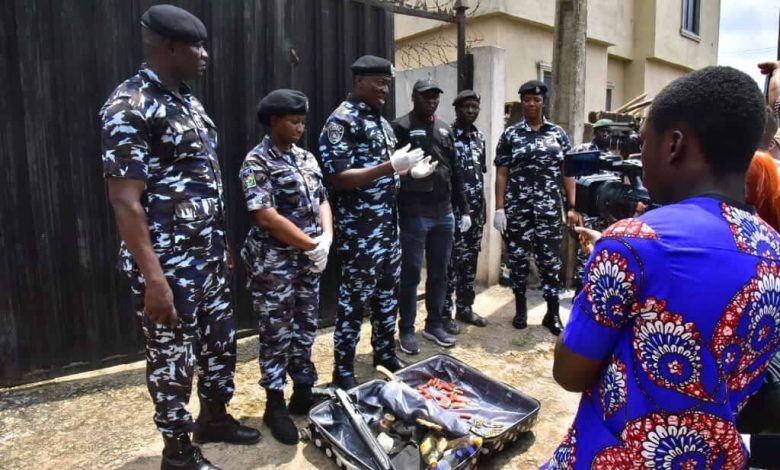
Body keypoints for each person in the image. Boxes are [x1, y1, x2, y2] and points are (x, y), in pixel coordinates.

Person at [545, 66, 779, 469]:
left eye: (643, 142)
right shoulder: (772, 250)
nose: (641, 157)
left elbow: (570, 373)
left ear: (673, 144)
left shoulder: (632, 242)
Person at [100, 5, 259, 469]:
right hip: (168, 263)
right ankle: (178, 451)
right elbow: (125, 202)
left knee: (219, 343)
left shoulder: (187, 100)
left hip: (206, 255)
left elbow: (201, 180)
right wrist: (154, 279)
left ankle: (214, 416)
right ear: (169, 48)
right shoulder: (128, 105)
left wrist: (221, 244)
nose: (205, 55)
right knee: (173, 358)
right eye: (197, 47)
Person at [318, 55, 429, 390]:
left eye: (387, 82)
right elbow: (338, 177)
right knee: (354, 302)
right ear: (359, 82)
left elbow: (390, 170)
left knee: (386, 296)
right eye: (378, 82)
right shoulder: (342, 121)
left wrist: (409, 172)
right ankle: (343, 369)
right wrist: (389, 168)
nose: (385, 88)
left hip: (387, 227)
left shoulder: (380, 122)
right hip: (359, 231)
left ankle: (383, 353)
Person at [238, 89, 332, 445]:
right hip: (273, 264)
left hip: (308, 261)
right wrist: (311, 245)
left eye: (303, 121)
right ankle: (274, 403)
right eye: (293, 121)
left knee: (306, 326)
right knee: (276, 332)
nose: (300, 127)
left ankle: (303, 391)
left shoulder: (306, 157)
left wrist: (326, 239)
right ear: (274, 121)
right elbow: (265, 216)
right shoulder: (257, 162)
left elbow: (323, 199)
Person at [493, 80, 577, 335]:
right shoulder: (511, 134)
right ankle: (520, 310)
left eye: (536, 100)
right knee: (517, 260)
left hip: (549, 210)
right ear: (522, 102)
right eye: (527, 99)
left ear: (543, 102)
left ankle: (551, 314)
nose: (531, 104)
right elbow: (502, 174)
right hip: (518, 209)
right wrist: (500, 208)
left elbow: (568, 172)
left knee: (550, 261)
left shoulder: (557, 134)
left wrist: (572, 205)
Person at [392, 79, 470, 351]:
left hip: (443, 213)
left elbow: (456, 170)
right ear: (414, 97)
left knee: (440, 272)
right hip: (414, 214)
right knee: (411, 274)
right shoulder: (400, 127)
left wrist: (465, 210)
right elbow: (388, 172)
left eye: (436, 97)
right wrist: (409, 177)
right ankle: (406, 329)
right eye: (426, 96)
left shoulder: (445, 129)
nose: (432, 101)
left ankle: (434, 324)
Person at [443, 90, 489, 332]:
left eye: (474, 107)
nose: (470, 111)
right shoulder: (447, 135)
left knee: (469, 262)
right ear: (456, 109)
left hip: (475, 212)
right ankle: (444, 313)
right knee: (450, 264)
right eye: (465, 107)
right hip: (453, 212)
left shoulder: (479, 137)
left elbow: (479, 173)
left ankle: (465, 308)